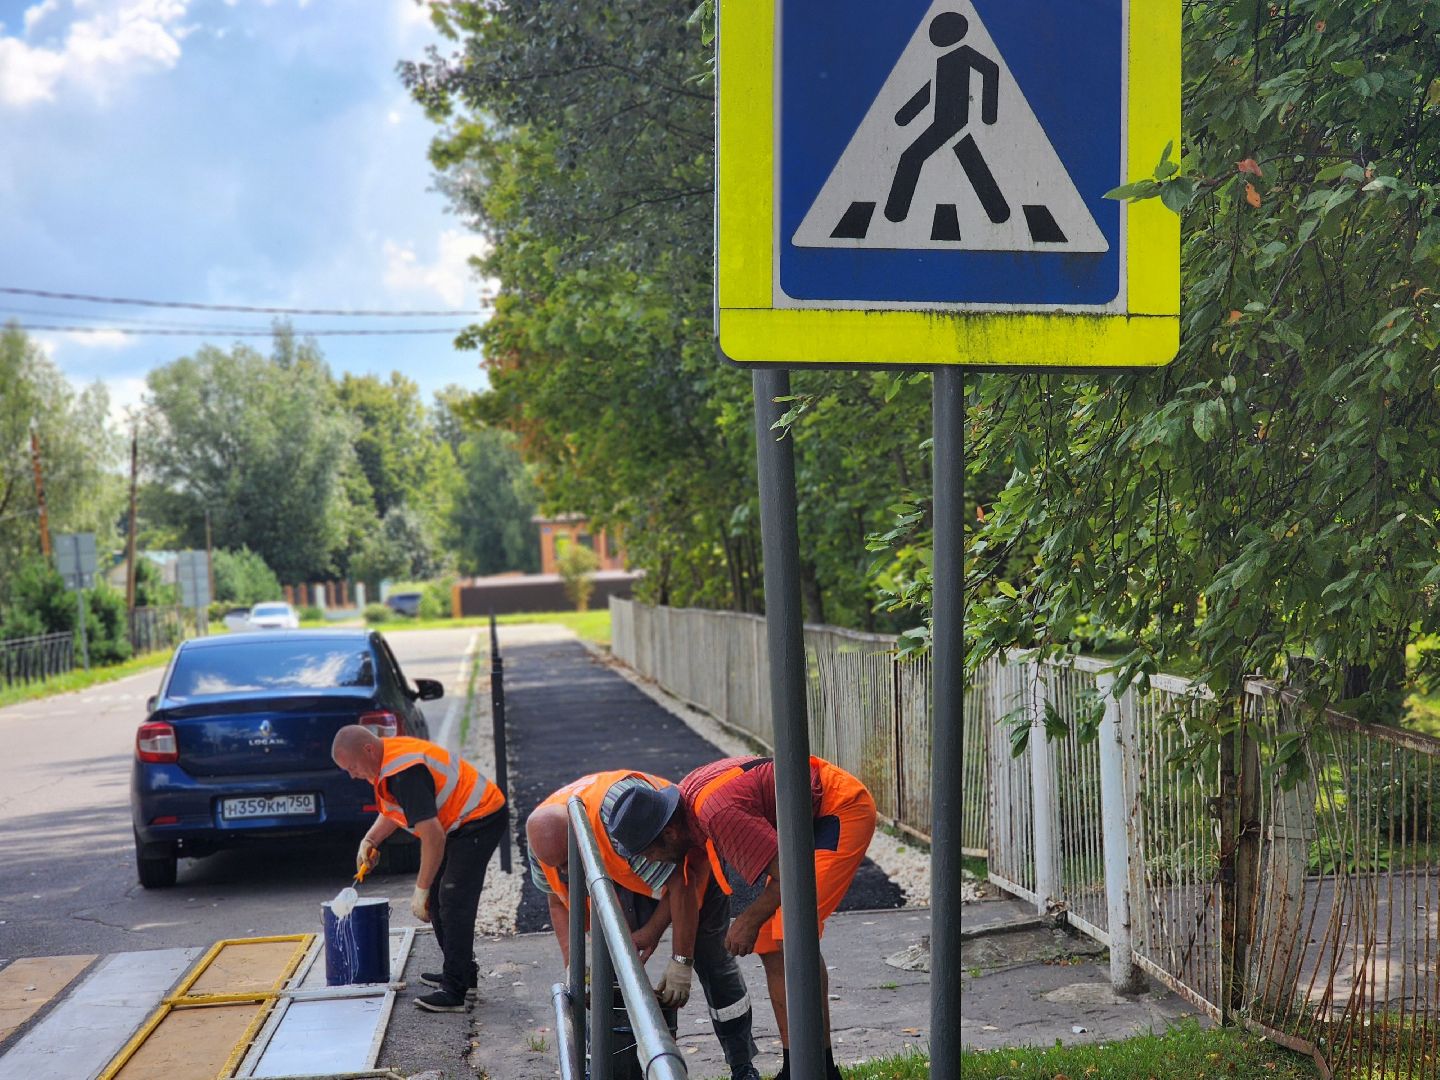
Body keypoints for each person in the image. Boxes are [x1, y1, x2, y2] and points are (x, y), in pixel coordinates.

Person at [608, 755, 876, 1080]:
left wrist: (748, 920)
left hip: (838, 808)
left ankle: (821, 1070)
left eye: (649, 852)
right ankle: (796, 1066)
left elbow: (791, 877)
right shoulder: (687, 811)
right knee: (770, 944)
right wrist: (676, 955)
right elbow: (691, 886)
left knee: (791, 933)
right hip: (801, 818)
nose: (652, 861)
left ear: (670, 833)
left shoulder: (716, 814)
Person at [526, 770, 760, 1080]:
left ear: (579, 836)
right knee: (611, 968)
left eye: (569, 862)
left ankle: (742, 1065)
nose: (566, 871)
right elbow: (557, 901)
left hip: (688, 857)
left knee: (712, 959)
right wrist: (574, 964)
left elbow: (682, 884)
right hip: (626, 870)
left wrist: (680, 961)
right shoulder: (543, 841)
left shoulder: (622, 822)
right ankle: (615, 1064)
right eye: (559, 866)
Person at [332, 725, 506, 1013]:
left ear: (368, 750)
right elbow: (398, 810)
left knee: (452, 898)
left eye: (352, 767)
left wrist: (421, 888)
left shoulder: (403, 772)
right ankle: (461, 972)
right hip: (459, 821)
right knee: (439, 898)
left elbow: (433, 836)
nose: (352, 775)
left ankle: (456, 991)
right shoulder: (387, 762)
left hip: (480, 818)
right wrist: (371, 840)